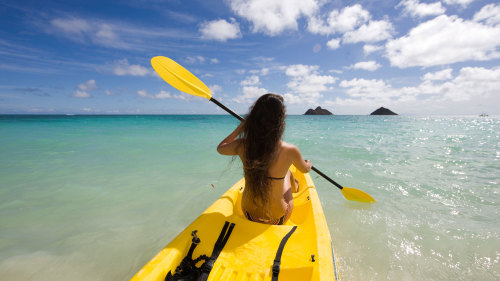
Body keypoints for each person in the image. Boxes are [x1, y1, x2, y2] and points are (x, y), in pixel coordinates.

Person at [217, 93, 312, 225]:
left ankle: (292, 184)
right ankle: (295, 186)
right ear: (281, 122)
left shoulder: (243, 145)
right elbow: (305, 170)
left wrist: (240, 129)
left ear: (253, 120)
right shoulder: (290, 150)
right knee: (287, 173)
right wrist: (308, 163)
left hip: (248, 214)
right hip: (278, 218)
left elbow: (220, 148)